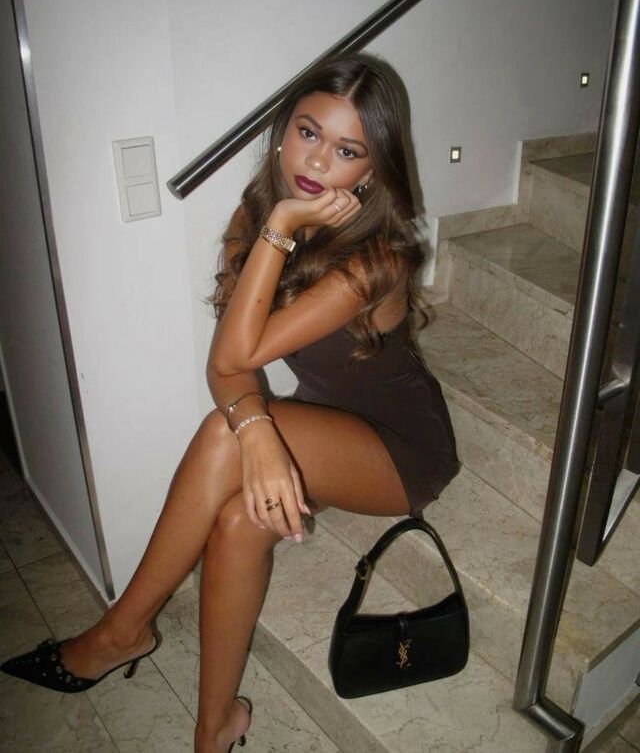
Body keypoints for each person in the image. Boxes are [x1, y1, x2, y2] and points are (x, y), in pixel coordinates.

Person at [1, 53, 460, 752]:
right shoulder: (255, 219)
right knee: (240, 518)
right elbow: (233, 363)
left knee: (226, 433)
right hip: (325, 424)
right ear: (283, 131)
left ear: (371, 172)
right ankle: (213, 728)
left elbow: (228, 361)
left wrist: (281, 224)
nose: (318, 161)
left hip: (401, 448)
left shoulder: (375, 261)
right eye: (308, 132)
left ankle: (121, 631)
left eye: (347, 151)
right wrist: (261, 432)